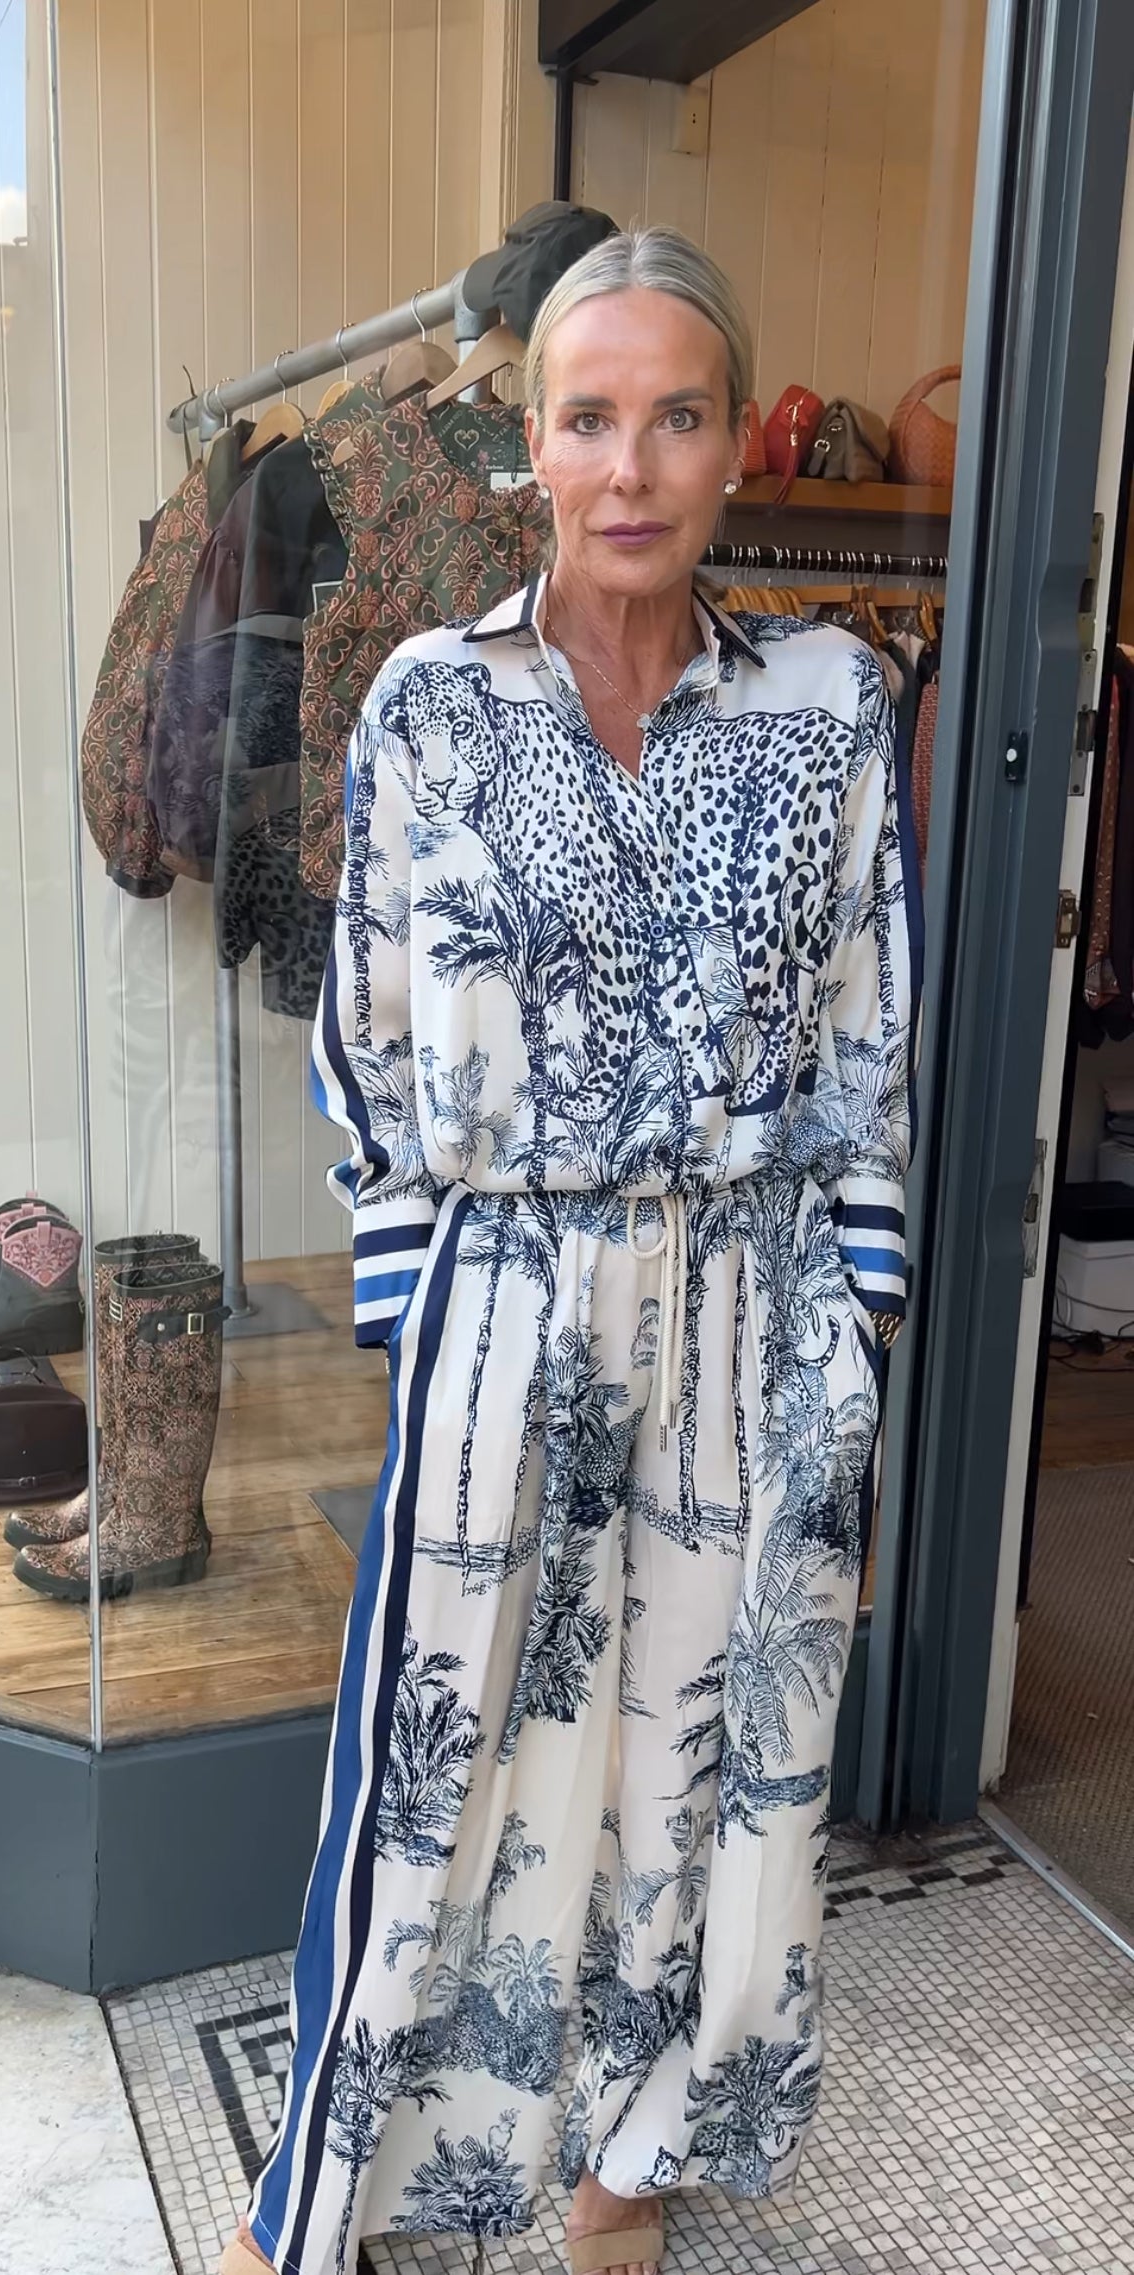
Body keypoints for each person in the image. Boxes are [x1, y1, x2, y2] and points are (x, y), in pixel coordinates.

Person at [223, 225, 917, 2275]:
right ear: (528, 440)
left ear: (736, 437)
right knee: (438, 1781)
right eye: (590, 418)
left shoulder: (831, 703)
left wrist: (850, 1325)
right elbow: (364, 1040)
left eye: (678, 416)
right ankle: (332, 2197)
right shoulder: (434, 706)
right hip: (509, 1304)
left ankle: (629, 2171)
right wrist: (422, 1312)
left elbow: (872, 1036)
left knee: (703, 1773)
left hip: (756, 1313)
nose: (633, 467)